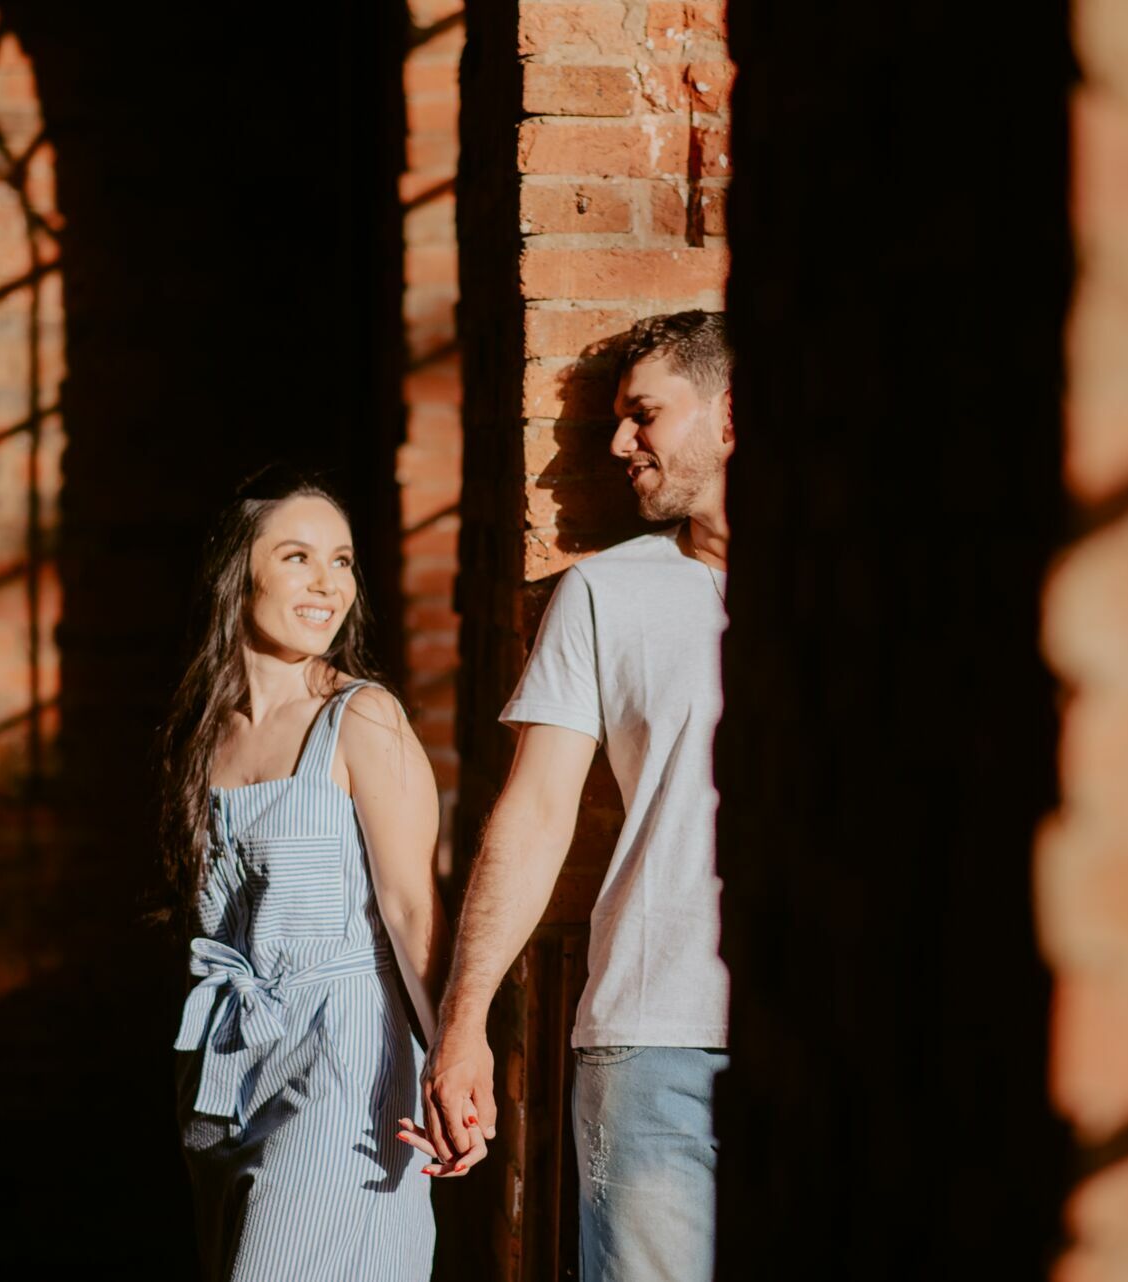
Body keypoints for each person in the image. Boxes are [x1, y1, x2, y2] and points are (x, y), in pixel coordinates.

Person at [402, 311, 734, 1280]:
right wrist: (465, 1028)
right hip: (653, 1034)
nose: (619, 442)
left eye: (644, 414)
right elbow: (536, 814)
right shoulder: (606, 594)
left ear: (729, 415)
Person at [159, 466, 454, 1281]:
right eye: (298, 557)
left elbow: (410, 908)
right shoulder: (205, 736)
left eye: (344, 561)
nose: (328, 584)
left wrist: (459, 1056)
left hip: (344, 1063)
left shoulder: (360, 716)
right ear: (239, 575)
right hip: (229, 1062)